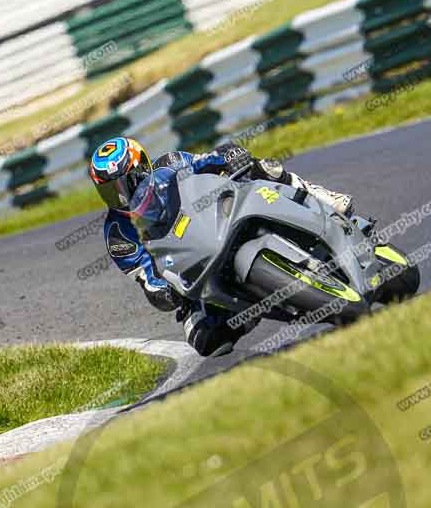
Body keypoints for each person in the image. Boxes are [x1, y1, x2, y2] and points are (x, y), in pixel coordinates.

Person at [89, 136, 354, 356]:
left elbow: (205, 162)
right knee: (205, 341)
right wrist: (162, 291)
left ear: (142, 168)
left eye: (125, 184)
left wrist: (229, 155)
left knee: (264, 168)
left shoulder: (169, 163)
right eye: (110, 191)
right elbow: (147, 276)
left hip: (217, 217)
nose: (121, 196)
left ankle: (319, 197)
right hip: (192, 266)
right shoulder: (117, 233)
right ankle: (247, 306)